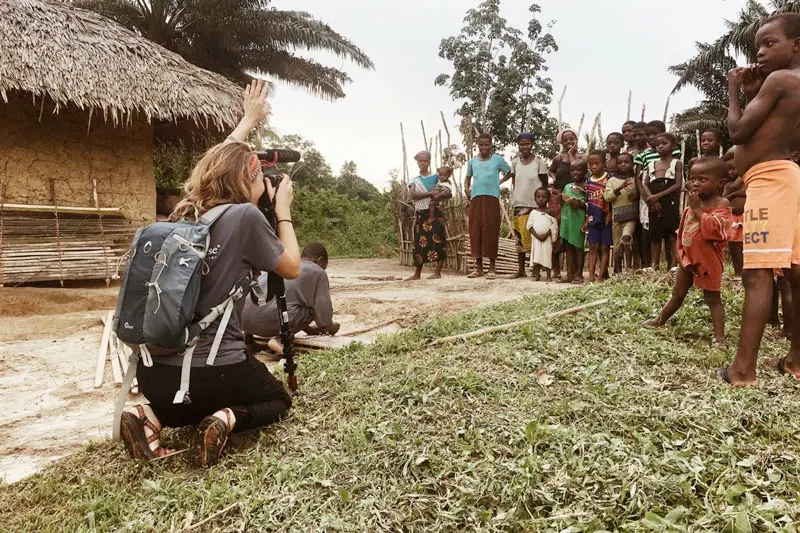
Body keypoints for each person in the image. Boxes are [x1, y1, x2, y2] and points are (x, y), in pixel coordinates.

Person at [119, 80, 301, 467]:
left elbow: (215, 164)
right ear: (249, 180)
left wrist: (247, 123)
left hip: (156, 376)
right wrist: (281, 208)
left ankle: (146, 415)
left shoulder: (185, 214)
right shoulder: (246, 217)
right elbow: (292, 266)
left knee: (184, 404)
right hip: (218, 370)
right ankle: (224, 418)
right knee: (277, 400)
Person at [721, 13, 800, 386]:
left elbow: (738, 131)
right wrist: (755, 94)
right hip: (787, 177)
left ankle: (742, 370)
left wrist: (735, 89)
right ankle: (795, 361)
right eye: (758, 47)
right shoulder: (791, 83)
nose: (762, 53)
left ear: (796, 45)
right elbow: (770, 128)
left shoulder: (782, 79)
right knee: (796, 274)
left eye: (771, 44)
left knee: (757, 274)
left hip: (769, 180)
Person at [645, 158, 733, 347]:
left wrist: (698, 210)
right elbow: (682, 232)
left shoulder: (721, 203)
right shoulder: (691, 205)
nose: (695, 183)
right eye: (693, 179)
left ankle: (719, 338)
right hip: (687, 260)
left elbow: (718, 231)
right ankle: (660, 320)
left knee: (712, 298)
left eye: (702, 179)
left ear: (720, 183)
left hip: (709, 261)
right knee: (678, 294)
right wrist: (680, 254)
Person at [243, 243, 339, 357]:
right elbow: (323, 314)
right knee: (311, 309)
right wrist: (332, 328)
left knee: (268, 298)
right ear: (321, 260)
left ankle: (248, 341)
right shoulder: (318, 272)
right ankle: (279, 341)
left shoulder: (285, 264)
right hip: (268, 324)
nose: (323, 269)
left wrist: (309, 330)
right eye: (324, 266)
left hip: (243, 319)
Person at [465, 133, 512, 279]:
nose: (484, 147)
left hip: (491, 198)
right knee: (475, 231)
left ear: (491, 145)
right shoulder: (472, 162)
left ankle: (492, 268)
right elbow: (467, 178)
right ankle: (478, 268)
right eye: (481, 145)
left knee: (491, 230)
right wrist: (466, 189)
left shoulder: (497, 160)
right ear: (477, 146)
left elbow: (510, 172)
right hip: (476, 198)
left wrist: (499, 182)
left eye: (487, 144)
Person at [510, 132, 549, 278]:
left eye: (527, 144)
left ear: (532, 144)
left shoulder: (539, 162)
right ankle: (521, 269)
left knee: (535, 237)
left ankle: (536, 269)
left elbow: (544, 184)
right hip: (519, 205)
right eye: (521, 144)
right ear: (518, 146)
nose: (524, 147)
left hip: (535, 206)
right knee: (520, 238)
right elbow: (515, 182)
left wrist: (542, 202)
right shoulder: (515, 163)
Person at [642, 132, 683, 270]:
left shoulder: (676, 163)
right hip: (654, 203)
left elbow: (677, 184)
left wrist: (658, 196)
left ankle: (673, 264)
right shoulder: (651, 164)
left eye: (664, 144)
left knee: (671, 233)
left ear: (673, 146)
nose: (660, 146)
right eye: (657, 144)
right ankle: (654, 264)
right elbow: (646, 184)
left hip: (669, 201)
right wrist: (652, 200)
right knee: (655, 234)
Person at [407, 151, 450, 281]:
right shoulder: (414, 179)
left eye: (425, 160)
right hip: (421, 213)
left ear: (429, 162)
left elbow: (448, 192)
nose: (423, 163)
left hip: (435, 212)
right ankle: (417, 274)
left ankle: (437, 272)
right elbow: (413, 195)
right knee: (419, 243)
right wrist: (430, 193)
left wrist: (437, 194)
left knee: (439, 241)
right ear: (417, 162)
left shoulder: (437, 177)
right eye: (420, 160)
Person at [548, 128, 582, 279]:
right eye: (565, 139)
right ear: (561, 142)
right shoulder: (557, 158)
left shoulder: (582, 157)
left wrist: (571, 155)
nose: (569, 142)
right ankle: (556, 269)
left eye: (571, 138)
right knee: (557, 230)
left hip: (575, 196)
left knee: (574, 230)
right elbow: (551, 170)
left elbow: (578, 169)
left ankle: (575, 271)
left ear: (576, 139)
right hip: (559, 196)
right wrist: (554, 178)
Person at [605, 152, 639, 273]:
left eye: (626, 162)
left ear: (632, 164)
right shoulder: (612, 180)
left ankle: (629, 268)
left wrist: (635, 194)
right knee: (617, 247)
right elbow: (607, 197)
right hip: (617, 217)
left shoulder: (636, 179)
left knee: (626, 238)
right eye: (620, 162)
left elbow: (639, 194)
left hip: (631, 216)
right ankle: (618, 271)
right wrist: (620, 188)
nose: (623, 164)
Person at [585, 150, 612, 282]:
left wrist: (610, 214)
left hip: (606, 218)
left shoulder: (609, 179)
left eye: (597, 163)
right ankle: (590, 276)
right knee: (593, 247)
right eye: (591, 164)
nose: (594, 166)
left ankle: (601, 276)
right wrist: (586, 220)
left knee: (604, 247)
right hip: (592, 218)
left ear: (604, 163)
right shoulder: (588, 182)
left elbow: (613, 199)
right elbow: (587, 202)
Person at [560, 159, 588, 284]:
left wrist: (580, 204)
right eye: (572, 170)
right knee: (568, 247)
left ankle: (579, 274)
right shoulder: (567, 186)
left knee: (578, 248)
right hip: (567, 221)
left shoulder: (587, 186)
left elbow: (591, 205)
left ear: (585, 172)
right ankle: (570, 274)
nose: (575, 172)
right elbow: (563, 203)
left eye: (579, 170)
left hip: (579, 222)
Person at [527, 187, 559, 281]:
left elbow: (554, 225)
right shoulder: (533, 212)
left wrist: (546, 235)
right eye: (538, 197)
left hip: (547, 238)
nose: (541, 199)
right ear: (535, 198)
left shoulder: (550, 212)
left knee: (547, 255)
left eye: (544, 197)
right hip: (536, 239)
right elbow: (529, 225)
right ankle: (537, 274)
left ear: (548, 199)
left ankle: (549, 275)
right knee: (536, 256)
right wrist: (537, 235)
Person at [721, 150, 745, 278]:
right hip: (733, 219)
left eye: (733, 168)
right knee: (734, 246)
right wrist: (732, 192)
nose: (730, 172)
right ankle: (738, 272)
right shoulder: (727, 185)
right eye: (728, 169)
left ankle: (747, 271)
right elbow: (724, 198)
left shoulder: (747, 179)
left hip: (746, 217)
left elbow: (748, 193)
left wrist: (734, 193)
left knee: (746, 246)